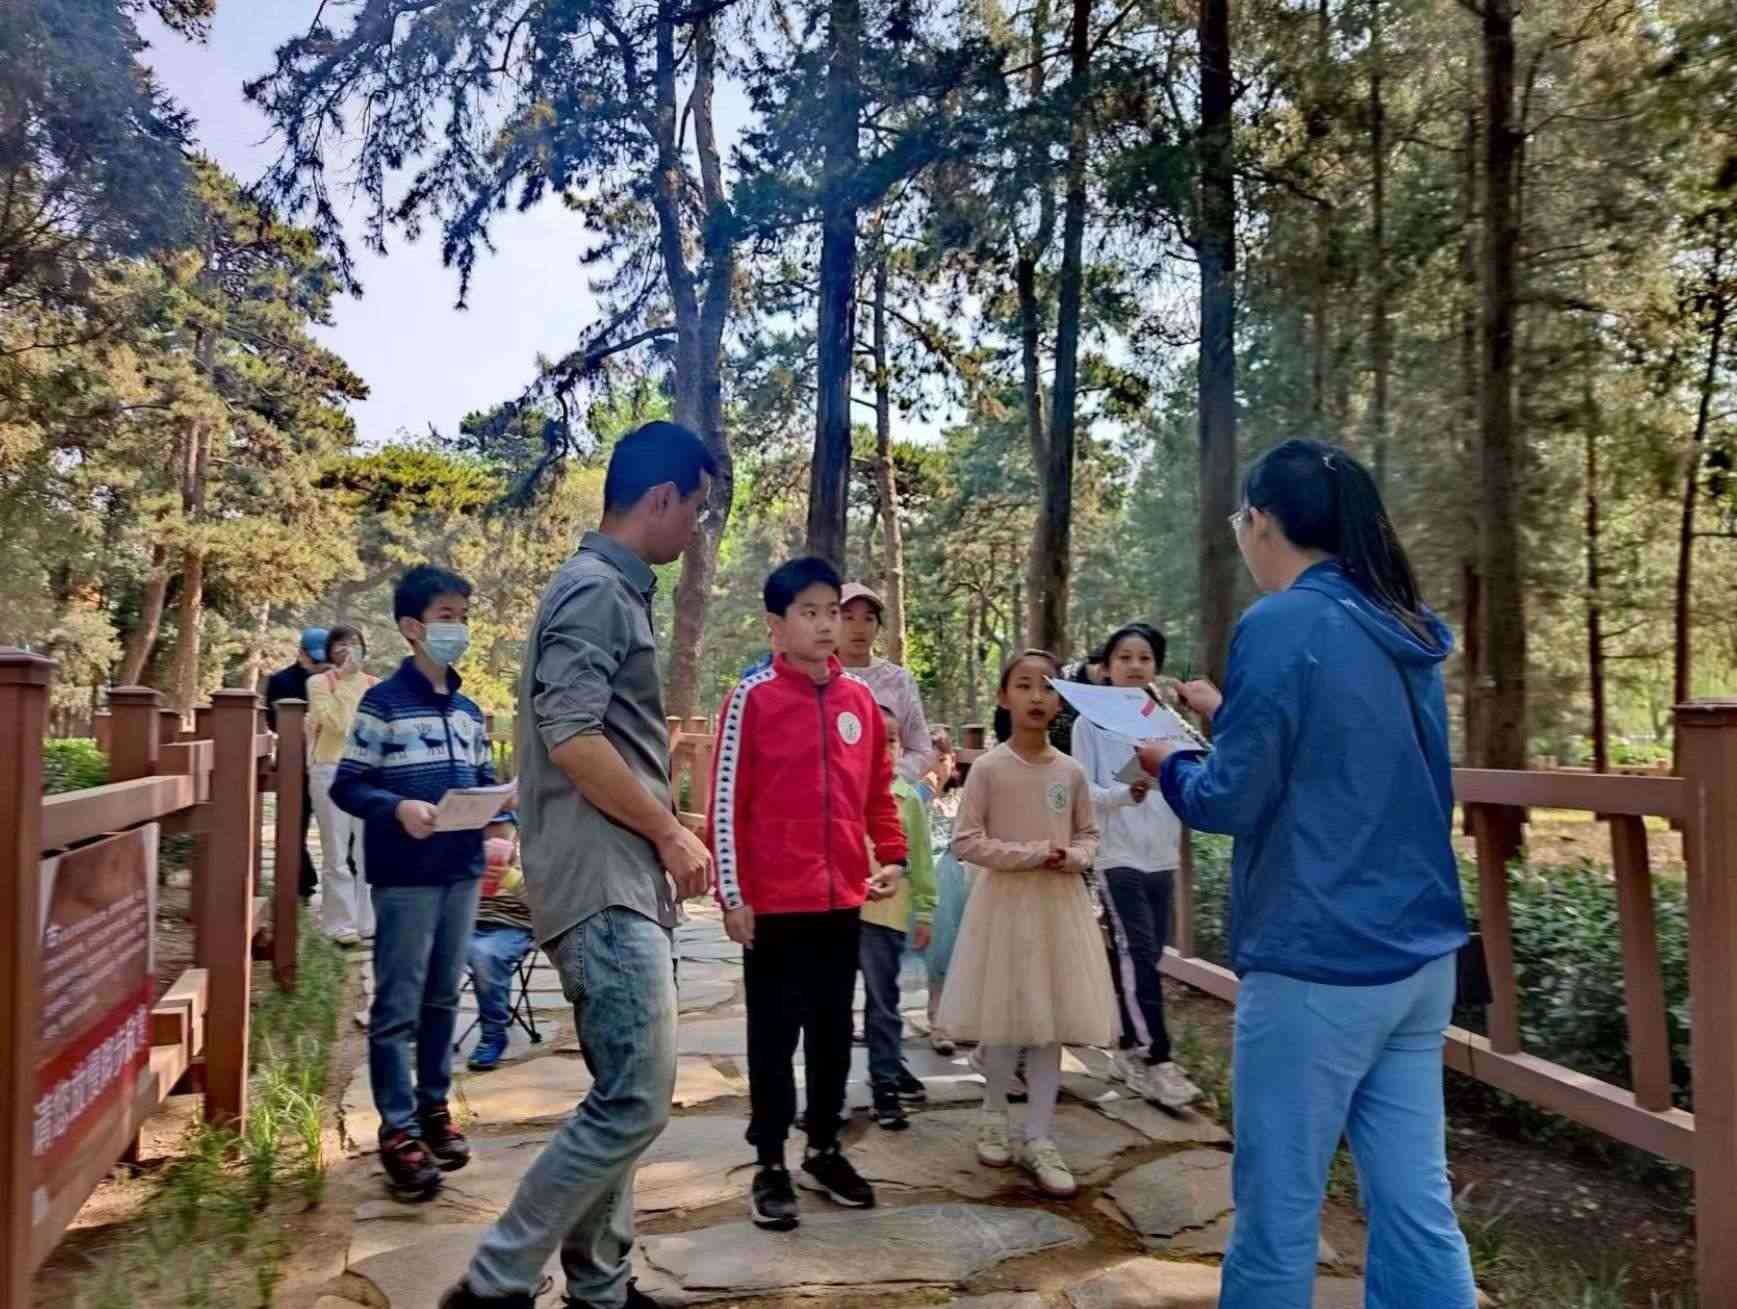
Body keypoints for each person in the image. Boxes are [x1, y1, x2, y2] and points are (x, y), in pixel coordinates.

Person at [1136, 438, 1477, 1309]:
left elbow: (1228, 799)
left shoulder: (1281, 622)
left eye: (1240, 521)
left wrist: (1172, 762)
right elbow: (1353, 759)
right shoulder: (1400, 621)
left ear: (1261, 522)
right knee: (1415, 1206)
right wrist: (1226, 715)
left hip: (1316, 956)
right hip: (1417, 956)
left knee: (1278, 1212)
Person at [441, 421, 717, 1309]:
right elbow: (571, 737)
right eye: (696, 508)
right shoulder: (596, 591)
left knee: (619, 1091)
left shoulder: (611, 590)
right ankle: (495, 1281)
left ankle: (600, 1289)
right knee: (637, 1096)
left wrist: (662, 827)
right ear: (662, 497)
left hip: (615, 875)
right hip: (602, 883)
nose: (696, 529)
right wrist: (668, 832)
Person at [709, 556, 907, 1233]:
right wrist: (732, 892)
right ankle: (770, 1160)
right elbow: (726, 802)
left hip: (841, 901)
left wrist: (894, 856)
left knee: (832, 1033)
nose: (826, 626)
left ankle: (823, 1148)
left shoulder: (860, 703)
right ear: (776, 624)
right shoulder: (752, 698)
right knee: (772, 1037)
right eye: (810, 613)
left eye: (833, 613)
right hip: (773, 905)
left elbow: (876, 792)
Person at [333, 567, 515, 1201]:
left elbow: (486, 783)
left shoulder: (467, 712)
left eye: (463, 616)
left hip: (461, 872)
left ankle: (434, 1109)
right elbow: (349, 784)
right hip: (405, 877)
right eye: (445, 617)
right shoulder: (382, 704)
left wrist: (503, 818)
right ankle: (398, 1130)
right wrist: (398, 808)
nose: (457, 628)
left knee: (442, 998)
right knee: (397, 1006)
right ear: (411, 627)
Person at [938, 650, 1113, 1199]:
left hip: (1059, 909)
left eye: (1048, 686)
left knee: (1048, 1022)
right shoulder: (990, 768)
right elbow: (967, 841)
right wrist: (1032, 854)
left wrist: (1075, 857)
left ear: (1060, 699)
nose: (1037, 696)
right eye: (1024, 685)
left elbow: (1088, 834)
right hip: (1003, 907)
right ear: (1003, 696)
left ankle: (1040, 1135)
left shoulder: (1071, 772)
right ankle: (993, 1114)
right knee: (1005, 1017)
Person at [1071, 621, 1201, 1109]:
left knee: (1146, 954)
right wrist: (1127, 793)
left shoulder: (1168, 721)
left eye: (1144, 658)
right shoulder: (1089, 724)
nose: (1134, 666)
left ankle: (1127, 1046)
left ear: (1156, 667)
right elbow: (1084, 792)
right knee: (1138, 949)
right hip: (1117, 854)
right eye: (1124, 658)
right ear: (1106, 668)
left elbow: (1194, 775)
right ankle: (1156, 1058)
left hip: (1161, 854)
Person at [860, 703, 938, 1131]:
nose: (883, 748)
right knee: (828, 1005)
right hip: (839, 913)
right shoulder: (842, 791)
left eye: (890, 740)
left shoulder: (908, 800)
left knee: (883, 1004)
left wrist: (925, 909)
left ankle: (885, 1085)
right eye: (874, 739)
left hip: (887, 915)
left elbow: (921, 860)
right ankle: (827, 1096)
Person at [306, 624, 378, 946]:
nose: (348, 649)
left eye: (354, 643)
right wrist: (346, 681)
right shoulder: (319, 683)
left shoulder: (376, 686)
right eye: (340, 644)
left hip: (368, 773)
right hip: (330, 769)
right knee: (336, 850)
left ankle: (368, 920)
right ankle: (339, 922)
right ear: (330, 651)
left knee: (369, 850)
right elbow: (338, 724)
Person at [838, 582, 932, 782]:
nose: (858, 628)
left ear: (878, 626)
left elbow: (921, 750)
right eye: (848, 618)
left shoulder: (899, 680)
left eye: (868, 618)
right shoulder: (817, 677)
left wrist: (890, 776)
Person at [265, 627, 328, 901]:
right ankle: (300, 882)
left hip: (330, 759)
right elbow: (272, 723)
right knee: (294, 823)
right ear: (301, 653)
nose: (319, 664)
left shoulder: (338, 680)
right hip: (295, 760)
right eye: (314, 658)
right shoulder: (280, 681)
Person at [465, 838, 534, 1073]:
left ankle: (493, 1035)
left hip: (511, 927)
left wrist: (510, 877)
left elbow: (547, 901)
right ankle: (429, 1031)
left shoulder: (533, 851)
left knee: (484, 956)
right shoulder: (467, 848)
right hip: (466, 925)